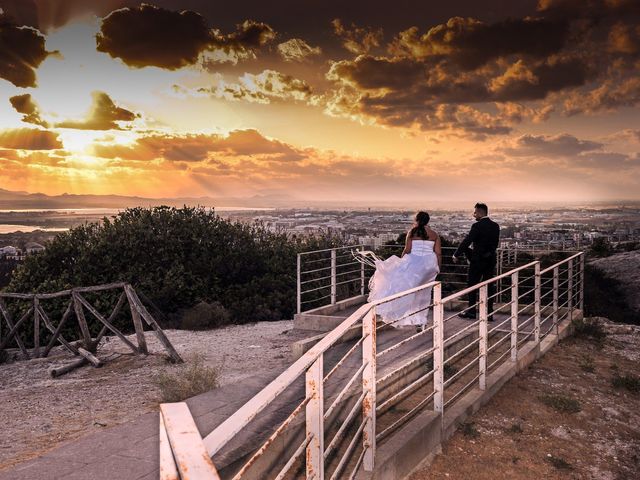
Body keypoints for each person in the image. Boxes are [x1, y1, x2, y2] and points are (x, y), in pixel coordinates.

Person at [368, 211, 441, 330]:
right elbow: (438, 253)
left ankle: (410, 317)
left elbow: (407, 250)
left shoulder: (412, 232)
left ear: (416, 220)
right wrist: (438, 268)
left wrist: (401, 263)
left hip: (414, 264)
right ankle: (421, 321)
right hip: (429, 266)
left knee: (409, 291)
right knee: (424, 294)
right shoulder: (434, 234)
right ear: (428, 221)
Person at [452, 203, 500, 320]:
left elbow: (467, 241)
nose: (474, 215)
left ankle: (472, 311)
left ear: (479, 212)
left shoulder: (477, 226)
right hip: (490, 261)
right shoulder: (495, 226)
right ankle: (489, 313)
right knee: (489, 286)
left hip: (477, 261)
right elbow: (494, 245)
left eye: (475, 213)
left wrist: (456, 254)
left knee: (472, 286)